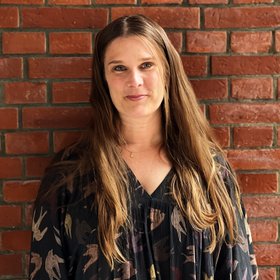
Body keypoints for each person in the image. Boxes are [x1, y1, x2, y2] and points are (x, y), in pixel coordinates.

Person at [29, 14, 258, 279]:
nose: (134, 80)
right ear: (103, 79)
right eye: (119, 68)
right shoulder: (70, 176)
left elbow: (238, 270)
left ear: (167, 71)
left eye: (146, 65)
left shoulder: (209, 171)